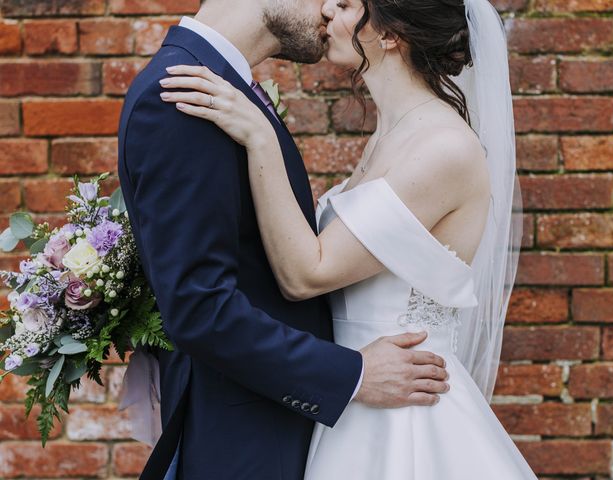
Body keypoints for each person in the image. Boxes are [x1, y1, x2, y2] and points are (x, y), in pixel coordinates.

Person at [159, 0, 538, 478]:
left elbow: (306, 274)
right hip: (352, 400)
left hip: (402, 418)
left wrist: (260, 137)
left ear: (390, 35)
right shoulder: (392, 135)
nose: (326, 12)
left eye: (346, 6)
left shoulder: (444, 147)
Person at [117, 0, 452, 479]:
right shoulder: (181, 94)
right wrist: (352, 375)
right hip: (244, 444)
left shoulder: (222, 87)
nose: (333, 8)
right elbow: (199, 308)